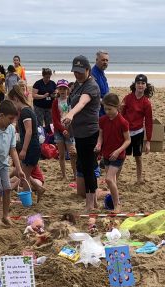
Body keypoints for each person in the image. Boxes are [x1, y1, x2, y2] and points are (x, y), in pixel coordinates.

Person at [64, 55, 102, 213]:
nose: (77, 74)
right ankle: (94, 203)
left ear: (88, 70)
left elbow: (82, 102)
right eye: (75, 71)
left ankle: (90, 205)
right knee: (87, 167)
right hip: (79, 133)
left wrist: (71, 113)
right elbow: (73, 100)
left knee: (88, 169)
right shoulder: (79, 85)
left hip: (89, 133)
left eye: (81, 71)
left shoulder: (91, 86)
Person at [97, 92, 131, 211]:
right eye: (105, 108)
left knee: (109, 179)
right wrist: (99, 144)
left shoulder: (123, 122)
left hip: (118, 155)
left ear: (117, 107)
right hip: (106, 154)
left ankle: (117, 204)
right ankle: (112, 201)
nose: (107, 111)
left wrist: (118, 151)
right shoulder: (102, 120)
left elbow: (127, 140)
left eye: (109, 109)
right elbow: (101, 135)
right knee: (112, 181)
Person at [121, 74, 154, 184]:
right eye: (138, 83)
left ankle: (139, 178)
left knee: (138, 157)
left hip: (138, 133)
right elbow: (120, 115)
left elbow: (149, 122)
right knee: (122, 156)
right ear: (134, 85)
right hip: (126, 132)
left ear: (146, 86)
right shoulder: (128, 98)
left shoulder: (146, 103)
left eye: (142, 83)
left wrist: (148, 141)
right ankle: (115, 177)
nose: (140, 85)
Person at [8, 83, 41, 183]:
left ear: (16, 99)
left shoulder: (25, 111)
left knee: (24, 178)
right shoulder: (25, 110)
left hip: (31, 147)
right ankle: (39, 189)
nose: (11, 106)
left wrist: (24, 150)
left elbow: (29, 131)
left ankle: (27, 198)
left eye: (11, 102)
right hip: (31, 146)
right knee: (23, 174)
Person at [51, 79, 75, 179]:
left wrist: (68, 129)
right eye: (60, 88)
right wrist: (62, 129)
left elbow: (74, 115)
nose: (62, 90)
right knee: (61, 155)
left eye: (64, 88)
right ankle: (64, 175)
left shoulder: (71, 100)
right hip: (59, 130)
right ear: (58, 89)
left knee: (73, 154)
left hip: (70, 129)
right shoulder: (56, 102)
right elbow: (55, 119)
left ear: (67, 89)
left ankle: (75, 175)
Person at [32, 68, 56, 133]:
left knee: (49, 124)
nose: (48, 79)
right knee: (39, 123)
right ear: (43, 75)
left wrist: (54, 95)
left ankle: (49, 137)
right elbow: (34, 95)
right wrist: (43, 96)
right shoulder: (38, 83)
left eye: (49, 77)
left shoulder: (53, 83)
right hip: (39, 107)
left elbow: (56, 93)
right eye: (46, 77)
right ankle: (40, 136)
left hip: (49, 107)